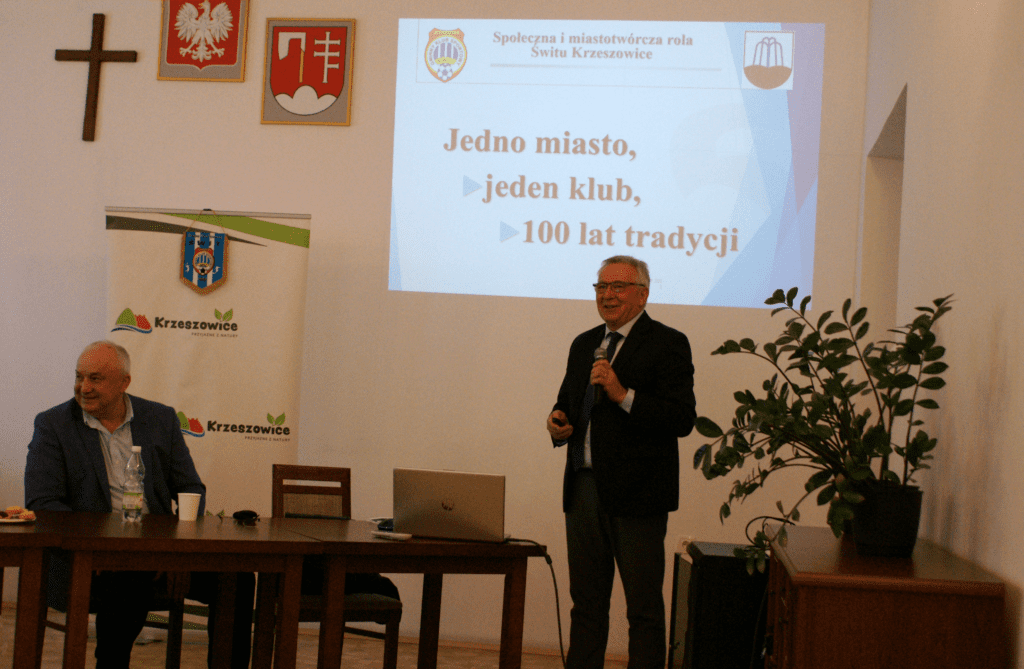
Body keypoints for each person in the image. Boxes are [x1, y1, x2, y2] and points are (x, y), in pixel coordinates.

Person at [25, 340, 255, 669]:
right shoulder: (54, 425)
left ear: (124, 382)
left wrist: (178, 549)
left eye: (95, 378)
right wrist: (100, 546)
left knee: (236, 578)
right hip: (90, 557)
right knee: (128, 574)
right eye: (79, 377)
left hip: (161, 550)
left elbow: (189, 487)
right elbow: (43, 503)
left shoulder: (159, 419)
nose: (84, 387)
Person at [546, 256, 696, 669]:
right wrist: (558, 422)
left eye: (618, 287)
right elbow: (567, 401)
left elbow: (681, 418)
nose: (607, 295)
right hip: (583, 489)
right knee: (586, 603)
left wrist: (622, 394)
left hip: (638, 495)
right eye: (601, 287)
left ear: (642, 295)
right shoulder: (584, 344)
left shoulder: (668, 343)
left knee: (642, 607)